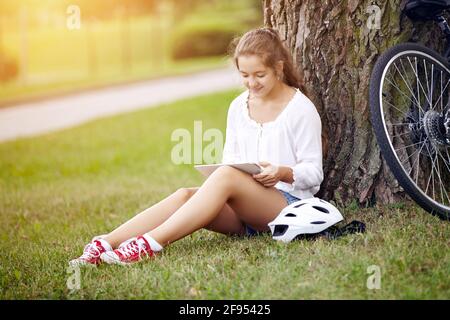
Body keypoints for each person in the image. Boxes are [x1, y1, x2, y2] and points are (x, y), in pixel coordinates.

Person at [69, 27, 323, 266]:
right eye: (244, 75)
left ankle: (147, 245)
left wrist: (281, 172)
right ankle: (104, 243)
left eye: (259, 75)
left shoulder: (300, 109)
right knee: (185, 195)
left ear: (278, 68)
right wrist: (238, 177)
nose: (251, 83)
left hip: (287, 208)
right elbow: (232, 160)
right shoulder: (238, 106)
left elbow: (314, 174)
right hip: (244, 211)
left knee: (225, 175)